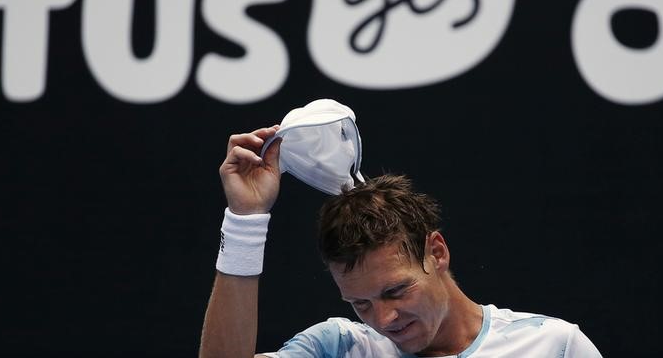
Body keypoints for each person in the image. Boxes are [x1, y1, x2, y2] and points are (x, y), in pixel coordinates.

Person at [199, 126, 603, 358]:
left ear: (437, 253)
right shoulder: (340, 348)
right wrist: (244, 220)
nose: (383, 319)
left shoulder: (554, 347)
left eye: (395, 291)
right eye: (361, 304)